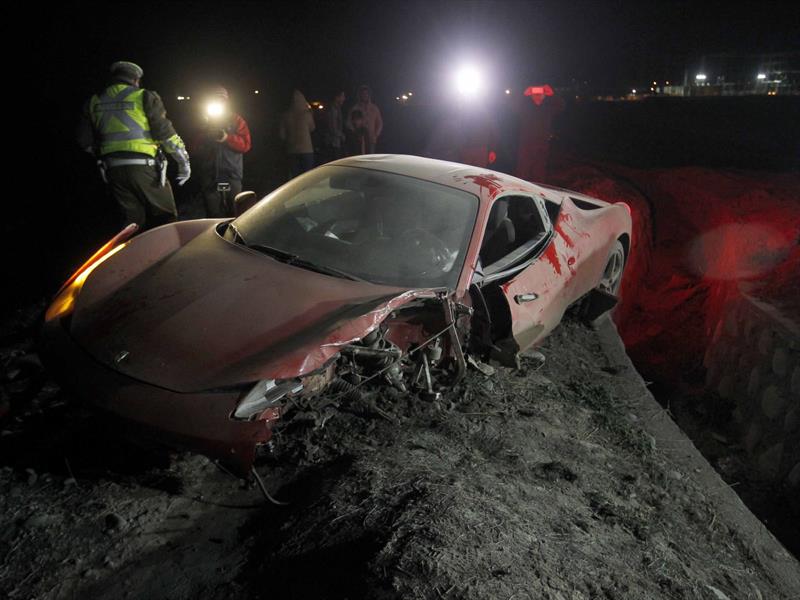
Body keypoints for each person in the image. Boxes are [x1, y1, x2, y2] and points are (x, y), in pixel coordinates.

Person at [77, 61, 191, 230]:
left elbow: (84, 141)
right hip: (145, 169)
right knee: (166, 218)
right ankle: (171, 256)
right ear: (136, 79)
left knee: (131, 224)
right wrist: (184, 163)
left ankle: (132, 256)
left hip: (112, 172)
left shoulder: (93, 101)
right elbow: (166, 135)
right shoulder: (144, 96)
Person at [192, 86, 252, 217]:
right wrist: (206, 134)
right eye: (216, 99)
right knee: (213, 213)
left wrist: (227, 138)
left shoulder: (236, 120)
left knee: (236, 211)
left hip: (231, 174)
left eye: (222, 99)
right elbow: (195, 148)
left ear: (227, 101)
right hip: (210, 175)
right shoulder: (204, 121)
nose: (219, 102)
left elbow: (246, 145)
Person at [514, 84, 564, 183]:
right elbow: (514, 105)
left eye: (540, 94)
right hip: (526, 146)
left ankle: (538, 194)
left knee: (539, 174)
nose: (537, 97)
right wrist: (524, 94)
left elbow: (561, 105)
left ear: (544, 96)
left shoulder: (548, 108)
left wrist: (552, 94)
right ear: (531, 96)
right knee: (522, 173)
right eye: (535, 94)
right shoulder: (525, 108)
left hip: (542, 146)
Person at [279, 89, 316, 178]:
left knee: (295, 178)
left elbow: (282, 135)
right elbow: (312, 128)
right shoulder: (306, 114)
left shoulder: (285, 115)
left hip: (292, 150)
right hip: (307, 150)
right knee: (307, 176)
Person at [346, 85, 383, 153]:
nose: (364, 95)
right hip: (359, 140)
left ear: (369, 95)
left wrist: (376, 135)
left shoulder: (374, 108)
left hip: (371, 139)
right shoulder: (355, 108)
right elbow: (348, 123)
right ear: (359, 95)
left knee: (370, 158)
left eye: (366, 93)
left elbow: (380, 123)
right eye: (362, 94)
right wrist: (355, 133)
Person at [322, 91, 346, 161]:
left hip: (335, 142)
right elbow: (332, 128)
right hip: (332, 143)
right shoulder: (333, 109)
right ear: (337, 97)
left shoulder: (337, 108)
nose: (344, 98)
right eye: (342, 96)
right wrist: (341, 135)